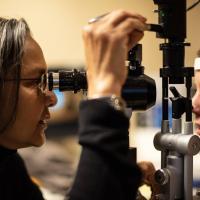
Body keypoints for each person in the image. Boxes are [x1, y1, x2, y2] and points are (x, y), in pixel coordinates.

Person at [0, 10, 154, 200]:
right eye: (35, 82)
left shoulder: (8, 164)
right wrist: (104, 90)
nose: (53, 99)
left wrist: (113, 179)